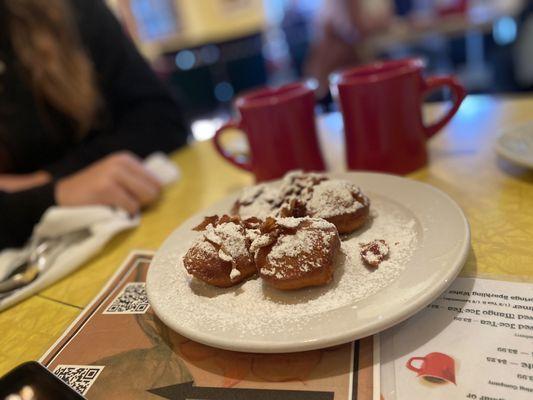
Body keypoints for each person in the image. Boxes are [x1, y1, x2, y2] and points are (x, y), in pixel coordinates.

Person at [0, 0, 189, 249]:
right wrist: (54, 192)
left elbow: (162, 118)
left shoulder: (71, 9)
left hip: (128, 222)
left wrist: (48, 181)